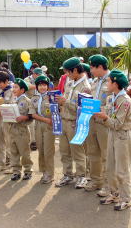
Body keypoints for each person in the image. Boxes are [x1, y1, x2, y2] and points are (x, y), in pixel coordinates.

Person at [94, 70, 131, 211]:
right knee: (110, 166)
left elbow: (117, 123)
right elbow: (107, 113)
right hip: (111, 133)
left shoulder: (125, 101)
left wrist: (104, 117)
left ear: (116, 84)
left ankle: (125, 198)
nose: (107, 83)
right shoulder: (112, 97)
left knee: (122, 169)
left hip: (121, 135)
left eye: (109, 81)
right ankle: (114, 193)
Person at [55, 57, 91, 189]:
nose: (67, 75)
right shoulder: (70, 83)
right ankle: (67, 174)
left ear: (75, 70)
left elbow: (84, 109)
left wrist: (65, 101)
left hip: (75, 123)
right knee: (64, 150)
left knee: (78, 151)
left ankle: (82, 176)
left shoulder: (86, 87)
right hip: (64, 120)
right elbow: (65, 98)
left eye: (68, 72)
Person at [84, 55, 110, 194]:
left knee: (106, 154)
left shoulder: (113, 80)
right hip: (92, 121)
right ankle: (96, 180)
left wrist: (102, 111)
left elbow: (114, 104)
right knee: (93, 152)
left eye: (92, 68)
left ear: (100, 67)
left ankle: (108, 185)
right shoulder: (95, 81)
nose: (91, 71)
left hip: (104, 122)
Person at [29, 75, 55, 184]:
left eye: (44, 85)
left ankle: (50, 174)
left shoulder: (51, 97)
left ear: (48, 86)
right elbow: (32, 114)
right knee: (41, 149)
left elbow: (56, 111)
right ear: (37, 86)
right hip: (39, 124)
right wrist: (45, 119)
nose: (42, 87)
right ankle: (44, 171)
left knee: (48, 150)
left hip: (49, 126)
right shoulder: (34, 98)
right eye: (40, 85)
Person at [9, 78, 34, 181]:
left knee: (24, 152)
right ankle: (16, 171)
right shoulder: (13, 100)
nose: (14, 89)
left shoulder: (27, 100)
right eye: (13, 87)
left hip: (22, 130)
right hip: (12, 129)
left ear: (22, 90)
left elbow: (31, 114)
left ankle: (28, 171)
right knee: (13, 152)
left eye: (16, 87)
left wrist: (23, 117)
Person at [24, 67, 43, 151]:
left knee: (38, 122)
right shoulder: (27, 79)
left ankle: (37, 140)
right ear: (34, 74)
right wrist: (37, 85)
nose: (39, 77)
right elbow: (27, 86)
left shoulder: (40, 79)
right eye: (38, 75)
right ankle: (33, 141)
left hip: (39, 102)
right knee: (31, 123)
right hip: (29, 103)